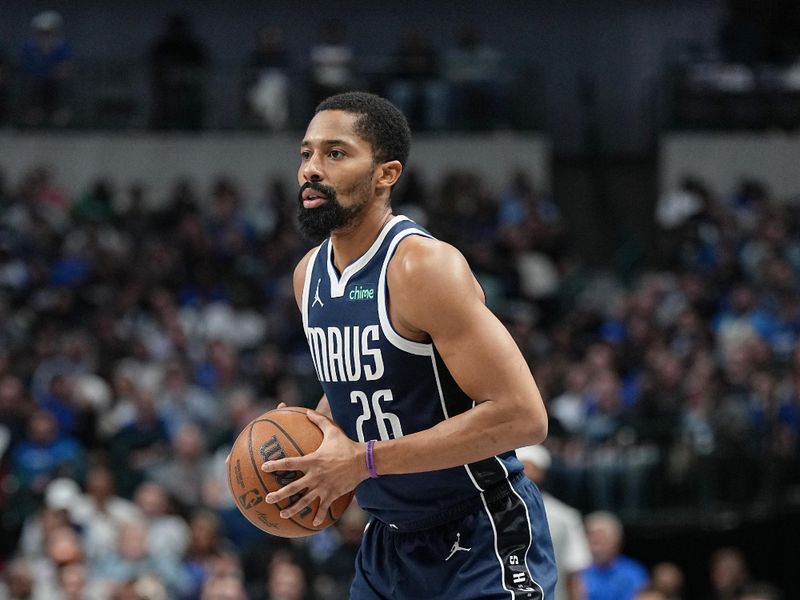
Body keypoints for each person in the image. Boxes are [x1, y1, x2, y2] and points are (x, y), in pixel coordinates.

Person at [258, 91, 555, 599]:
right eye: (306, 153)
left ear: (386, 174)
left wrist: (363, 461)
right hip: (389, 544)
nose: (311, 169)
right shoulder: (308, 277)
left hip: (481, 530)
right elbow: (361, 389)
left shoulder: (422, 267)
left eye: (335, 153)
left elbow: (523, 417)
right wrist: (311, 439)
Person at [517, 444, 592, 600]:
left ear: (542, 472)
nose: (525, 473)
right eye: (521, 468)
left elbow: (574, 572)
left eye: (530, 467)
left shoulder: (565, 517)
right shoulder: (491, 513)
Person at [580, 511, 648, 600]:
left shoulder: (634, 572)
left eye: (602, 538)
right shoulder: (576, 573)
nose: (597, 545)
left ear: (617, 540)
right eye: (592, 538)